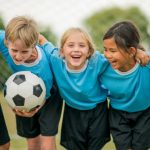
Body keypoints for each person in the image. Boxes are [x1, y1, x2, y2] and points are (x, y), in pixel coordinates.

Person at [0, 16, 62, 150]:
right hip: (21, 91)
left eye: (24, 52)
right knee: (32, 142)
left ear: (34, 46)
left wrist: (32, 110)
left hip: (49, 95)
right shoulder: (5, 40)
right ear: (6, 43)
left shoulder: (43, 70)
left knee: (46, 142)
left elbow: (43, 97)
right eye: (14, 50)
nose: (18, 56)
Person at [100, 21, 150, 150]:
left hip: (145, 113)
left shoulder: (146, 62)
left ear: (131, 50)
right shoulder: (102, 65)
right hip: (119, 114)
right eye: (105, 49)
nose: (107, 55)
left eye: (113, 50)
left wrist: (139, 52)